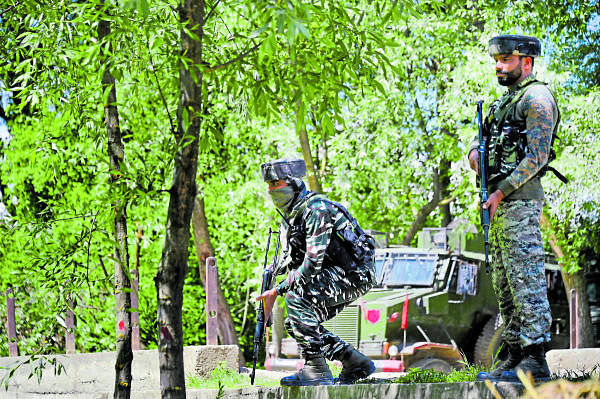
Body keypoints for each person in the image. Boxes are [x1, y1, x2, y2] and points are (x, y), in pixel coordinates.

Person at [468, 35, 559, 382]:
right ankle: (513, 354)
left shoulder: (537, 98)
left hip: (519, 203)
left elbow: (536, 156)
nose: (499, 66)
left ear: (527, 62)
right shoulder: (504, 102)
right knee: (505, 285)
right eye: (498, 60)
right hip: (500, 204)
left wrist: (501, 192)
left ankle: (535, 358)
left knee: (526, 282)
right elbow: (483, 139)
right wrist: (474, 153)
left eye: (507, 60)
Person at [256, 158, 377, 386]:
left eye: (277, 183)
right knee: (296, 322)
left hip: (355, 273)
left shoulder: (316, 210)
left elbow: (311, 264)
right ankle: (354, 361)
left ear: (292, 183)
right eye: (269, 185)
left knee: (295, 298)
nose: (272, 190)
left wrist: (277, 291)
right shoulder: (291, 216)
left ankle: (317, 370)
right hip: (338, 273)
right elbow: (292, 262)